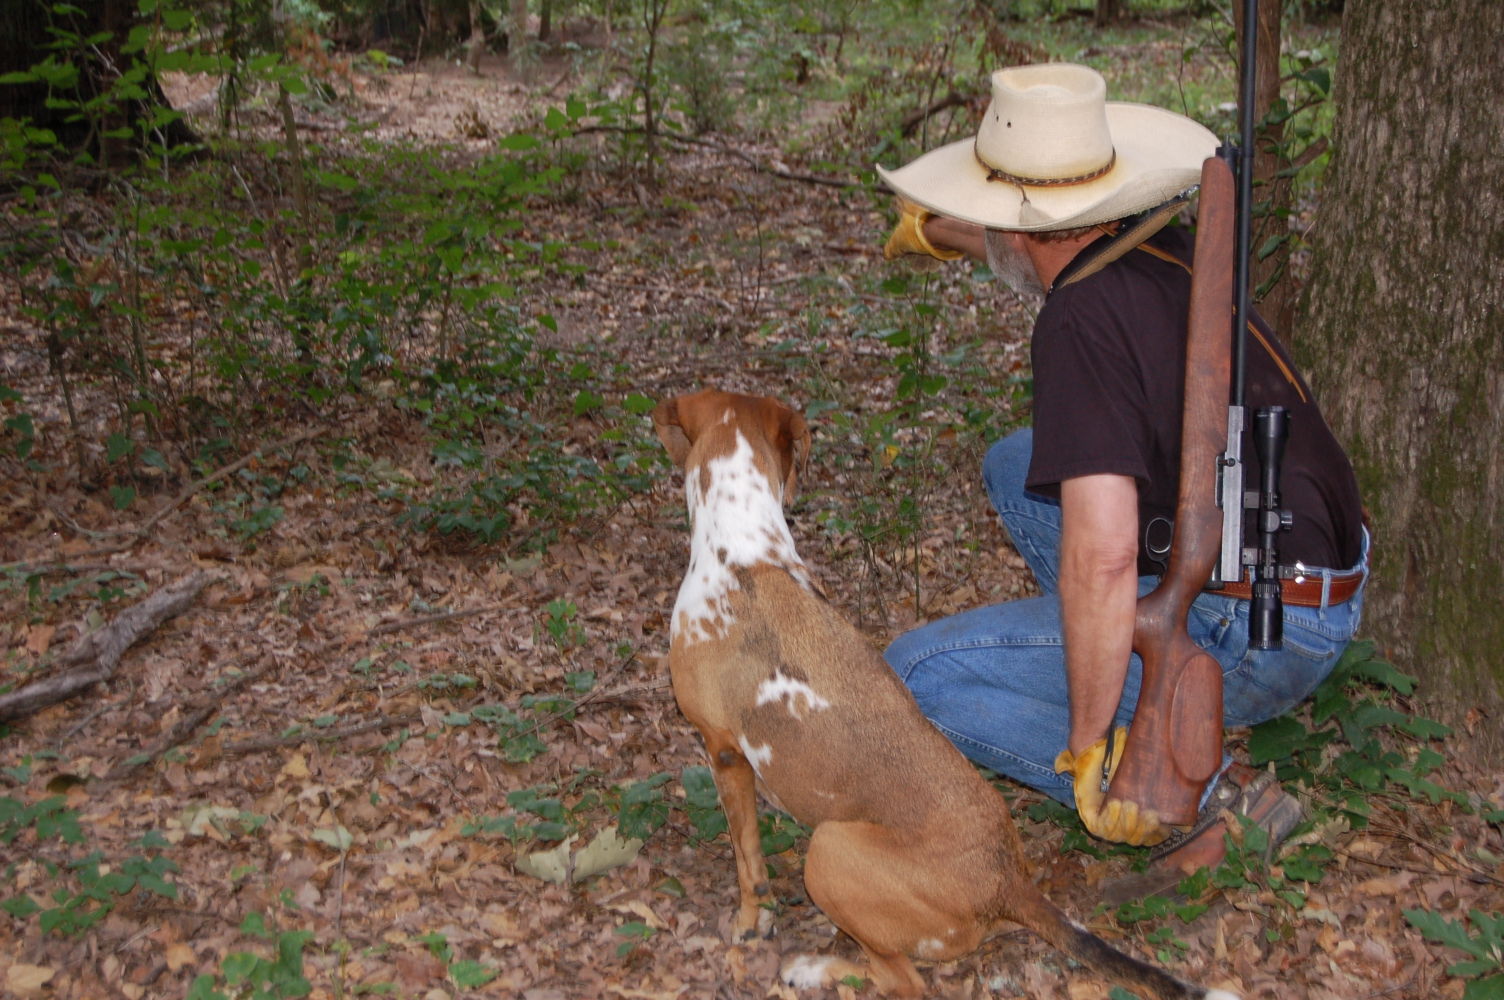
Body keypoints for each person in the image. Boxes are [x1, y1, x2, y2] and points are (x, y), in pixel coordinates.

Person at [877, 63, 1369, 877]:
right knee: (1016, 465)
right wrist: (946, 234)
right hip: (1313, 581)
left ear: (1025, 220)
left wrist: (1087, 743)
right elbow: (1030, 251)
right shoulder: (1155, 248)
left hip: (1257, 635)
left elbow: (1103, 554)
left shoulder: (1078, 323)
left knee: (914, 676)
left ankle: (1196, 789)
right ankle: (1103, 653)